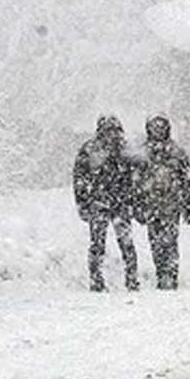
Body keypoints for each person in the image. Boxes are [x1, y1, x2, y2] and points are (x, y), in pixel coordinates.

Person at [72, 115, 140, 292]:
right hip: (103, 202)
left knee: (120, 243)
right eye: (108, 130)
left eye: (114, 130)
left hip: (114, 202)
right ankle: (101, 279)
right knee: (103, 244)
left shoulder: (121, 149)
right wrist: (82, 202)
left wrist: (133, 199)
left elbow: (136, 177)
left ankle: (128, 279)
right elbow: (80, 177)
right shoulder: (92, 149)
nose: (112, 134)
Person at [135, 115, 190, 290]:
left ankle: (171, 275)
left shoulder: (177, 152)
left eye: (161, 127)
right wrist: (137, 205)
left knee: (170, 241)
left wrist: (189, 206)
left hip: (171, 206)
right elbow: (136, 182)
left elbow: (187, 181)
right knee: (155, 243)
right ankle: (161, 273)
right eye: (155, 127)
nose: (158, 131)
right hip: (151, 205)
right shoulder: (143, 153)